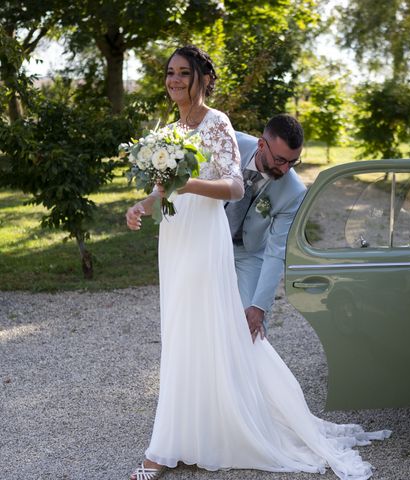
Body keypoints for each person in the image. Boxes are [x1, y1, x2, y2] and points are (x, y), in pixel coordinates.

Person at [125, 45, 389, 480]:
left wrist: (258, 306)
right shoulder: (173, 130)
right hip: (179, 236)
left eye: (183, 72)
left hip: (221, 246)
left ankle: (166, 448)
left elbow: (235, 193)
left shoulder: (219, 125)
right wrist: (143, 204)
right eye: (170, 72)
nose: (174, 79)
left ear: (200, 79)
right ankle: (191, 428)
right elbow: (166, 188)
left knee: (233, 329)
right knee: (182, 328)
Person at [226, 114, 306, 341]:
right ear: (262, 144)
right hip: (210, 241)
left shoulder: (294, 191)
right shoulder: (230, 145)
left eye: (293, 162)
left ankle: (250, 375)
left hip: (248, 252)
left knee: (251, 326)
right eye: (281, 160)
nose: (286, 169)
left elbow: (276, 251)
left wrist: (259, 306)